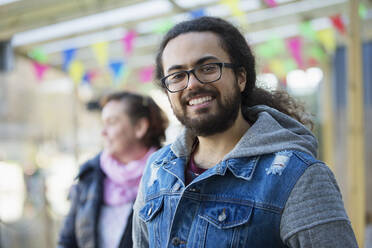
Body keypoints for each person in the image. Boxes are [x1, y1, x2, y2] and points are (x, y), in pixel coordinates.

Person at [132, 16, 358, 247]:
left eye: (208, 68)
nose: (192, 84)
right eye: (177, 75)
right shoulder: (157, 169)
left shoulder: (299, 175)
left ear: (241, 78)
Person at [58, 91, 168, 248]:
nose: (103, 132)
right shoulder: (89, 176)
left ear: (140, 127)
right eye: (103, 123)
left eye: (112, 122)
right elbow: (67, 242)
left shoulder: (170, 177)